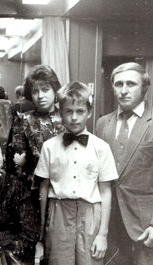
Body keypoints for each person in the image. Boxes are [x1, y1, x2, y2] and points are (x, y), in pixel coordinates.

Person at [96, 62, 153, 265]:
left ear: (144, 87)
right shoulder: (103, 124)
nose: (124, 90)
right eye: (118, 84)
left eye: (131, 84)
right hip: (108, 225)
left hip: (146, 227)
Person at [35, 81, 118, 265]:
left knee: (91, 261)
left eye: (79, 111)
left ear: (88, 112)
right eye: (68, 111)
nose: (74, 117)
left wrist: (102, 234)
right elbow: (43, 189)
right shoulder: (49, 147)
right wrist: (43, 230)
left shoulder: (101, 147)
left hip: (91, 214)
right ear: (60, 113)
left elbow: (105, 191)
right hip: (58, 212)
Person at [8, 65, 64, 188]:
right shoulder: (23, 120)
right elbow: (18, 162)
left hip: (65, 186)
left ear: (54, 91)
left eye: (45, 90)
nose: (40, 96)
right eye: (35, 91)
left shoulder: (67, 117)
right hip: (33, 187)